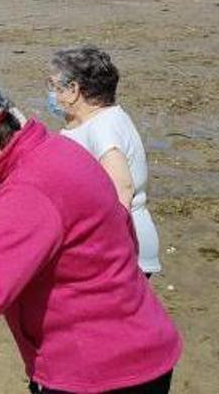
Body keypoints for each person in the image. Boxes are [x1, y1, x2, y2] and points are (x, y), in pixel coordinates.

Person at [0, 79, 182, 393]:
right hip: (141, 347)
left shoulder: (25, 189)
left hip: (98, 372)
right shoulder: (59, 149)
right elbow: (125, 227)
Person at [47, 46, 161, 275]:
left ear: (73, 90)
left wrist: (106, 250)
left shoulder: (103, 127)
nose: (50, 93)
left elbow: (122, 188)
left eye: (53, 85)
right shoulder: (92, 122)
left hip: (120, 249)